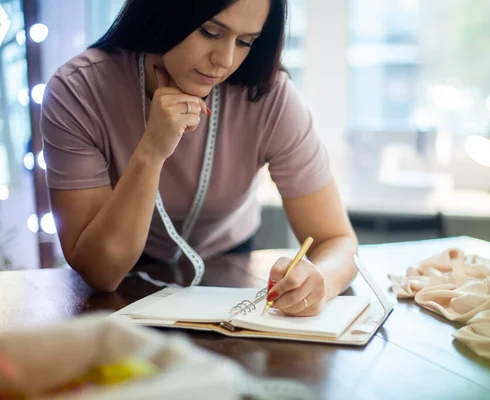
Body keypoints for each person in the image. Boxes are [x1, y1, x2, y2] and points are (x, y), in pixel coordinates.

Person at [39, 0, 358, 317]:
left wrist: (321, 282)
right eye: (209, 32)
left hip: (231, 267)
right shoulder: (77, 90)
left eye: (245, 41)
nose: (225, 59)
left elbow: (337, 240)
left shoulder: (268, 95)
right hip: (121, 282)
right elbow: (102, 273)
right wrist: (152, 151)